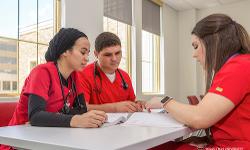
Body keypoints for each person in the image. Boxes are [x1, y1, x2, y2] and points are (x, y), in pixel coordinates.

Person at [146, 14, 250, 149]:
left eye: (196, 46)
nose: (193, 54)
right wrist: (206, 139)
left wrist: (163, 101)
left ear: (214, 41)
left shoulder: (238, 67)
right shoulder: (241, 63)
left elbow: (199, 117)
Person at [7, 28, 107, 128]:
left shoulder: (74, 76)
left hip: (51, 135)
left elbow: (81, 110)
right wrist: (74, 119)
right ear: (65, 51)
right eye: (82, 52)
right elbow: (35, 116)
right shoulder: (42, 72)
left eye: (88, 53)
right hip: (19, 137)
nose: (87, 58)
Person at [78, 32, 144, 112]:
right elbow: (81, 108)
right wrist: (114, 108)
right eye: (108, 55)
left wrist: (137, 104)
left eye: (117, 53)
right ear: (96, 54)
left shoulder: (125, 76)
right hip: (98, 123)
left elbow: (131, 103)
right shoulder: (83, 74)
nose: (114, 59)